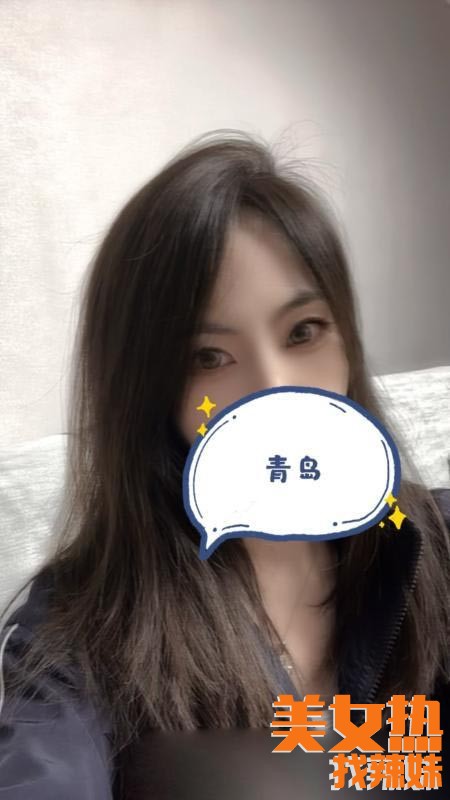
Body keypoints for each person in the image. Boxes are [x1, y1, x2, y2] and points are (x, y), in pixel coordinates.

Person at [1, 130, 450, 799]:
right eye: (209, 357)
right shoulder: (83, 621)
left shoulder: (436, 541)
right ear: (148, 392)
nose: (277, 391)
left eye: (303, 332)